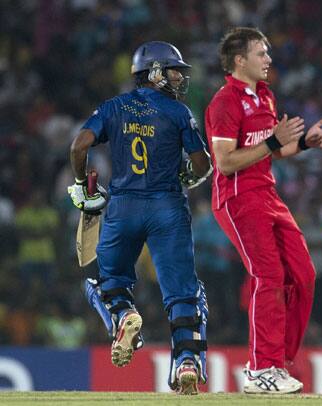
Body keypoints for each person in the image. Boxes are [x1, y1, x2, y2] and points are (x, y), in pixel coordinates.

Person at [68, 41, 212, 395]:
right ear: (156, 72)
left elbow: (78, 146)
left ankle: (123, 316)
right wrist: (190, 177)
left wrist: (82, 186)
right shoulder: (179, 113)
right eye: (174, 70)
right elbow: (202, 163)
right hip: (167, 208)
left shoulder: (113, 107)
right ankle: (188, 362)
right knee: (184, 293)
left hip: (123, 207)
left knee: (107, 284)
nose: (180, 78)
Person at [205, 27, 322, 394]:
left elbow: (272, 152)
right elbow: (227, 162)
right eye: (261, 53)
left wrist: (304, 144)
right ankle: (261, 368)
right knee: (268, 275)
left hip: (267, 194)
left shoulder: (265, 95)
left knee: (304, 274)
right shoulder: (223, 103)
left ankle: (277, 362)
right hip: (237, 198)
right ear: (239, 60)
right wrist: (275, 141)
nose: (268, 59)